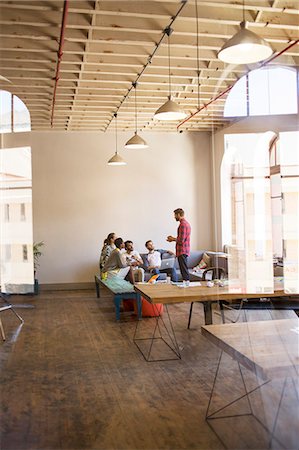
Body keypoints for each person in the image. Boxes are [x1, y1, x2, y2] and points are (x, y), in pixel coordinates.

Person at [167, 208, 191, 284]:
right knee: (184, 268)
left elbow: (181, 240)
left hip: (182, 250)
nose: (174, 217)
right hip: (184, 250)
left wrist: (172, 239)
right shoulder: (185, 224)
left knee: (184, 269)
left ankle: (186, 284)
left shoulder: (183, 225)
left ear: (178, 215)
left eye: (175, 215)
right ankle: (186, 283)